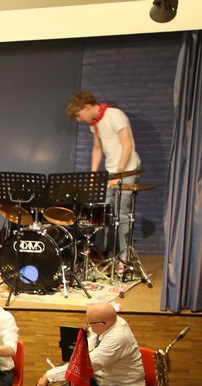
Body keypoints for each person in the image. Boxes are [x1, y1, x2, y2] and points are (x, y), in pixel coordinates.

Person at [67, 91, 142, 269]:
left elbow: (127, 146)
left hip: (127, 171)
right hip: (110, 173)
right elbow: (97, 148)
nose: (79, 119)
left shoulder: (115, 115)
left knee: (122, 215)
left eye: (79, 115)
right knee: (102, 214)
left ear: (87, 107)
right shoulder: (95, 123)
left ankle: (123, 258)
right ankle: (101, 254)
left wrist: (119, 175)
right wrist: (94, 174)